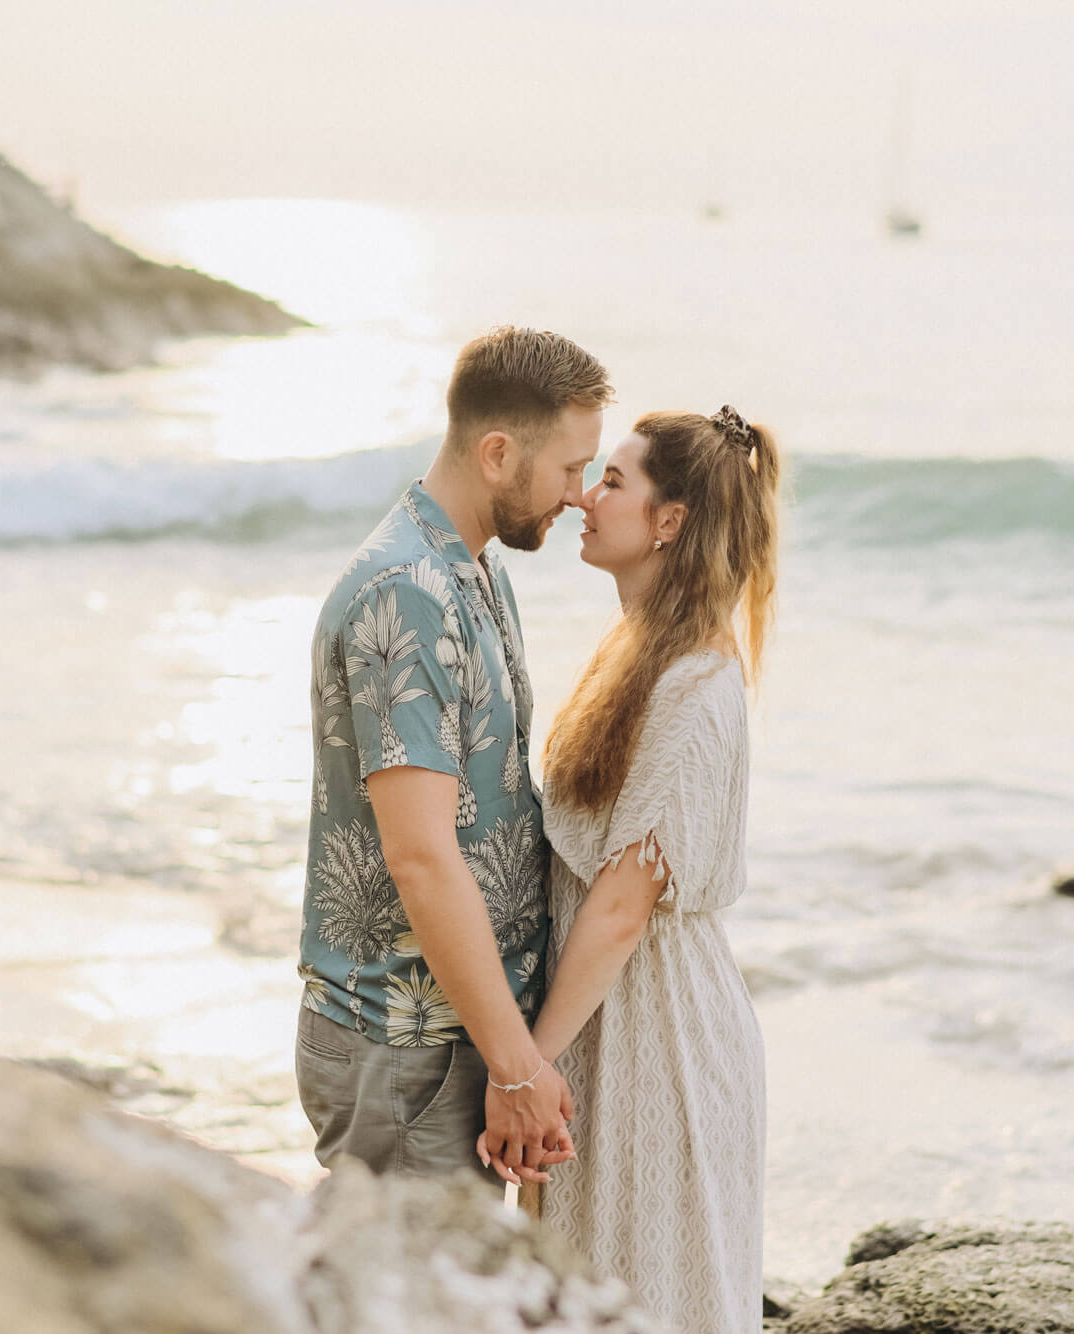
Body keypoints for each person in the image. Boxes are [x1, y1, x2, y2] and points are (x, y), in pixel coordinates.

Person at [479, 404, 780, 1334]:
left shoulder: (694, 683)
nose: (585, 499)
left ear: (669, 521)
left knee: (650, 1296)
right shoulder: (639, 656)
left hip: (660, 1041)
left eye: (613, 481)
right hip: (608, 1022)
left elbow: (619, 907)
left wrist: (525, 1069)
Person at [296, 325, 613, 1183]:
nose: (579, 495)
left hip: (453, 1035)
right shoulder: (409, 591)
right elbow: (422, 856)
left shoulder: (472, 569)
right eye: (571, 468)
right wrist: (516, 1069)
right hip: (407, 1047)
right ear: (498, 453)